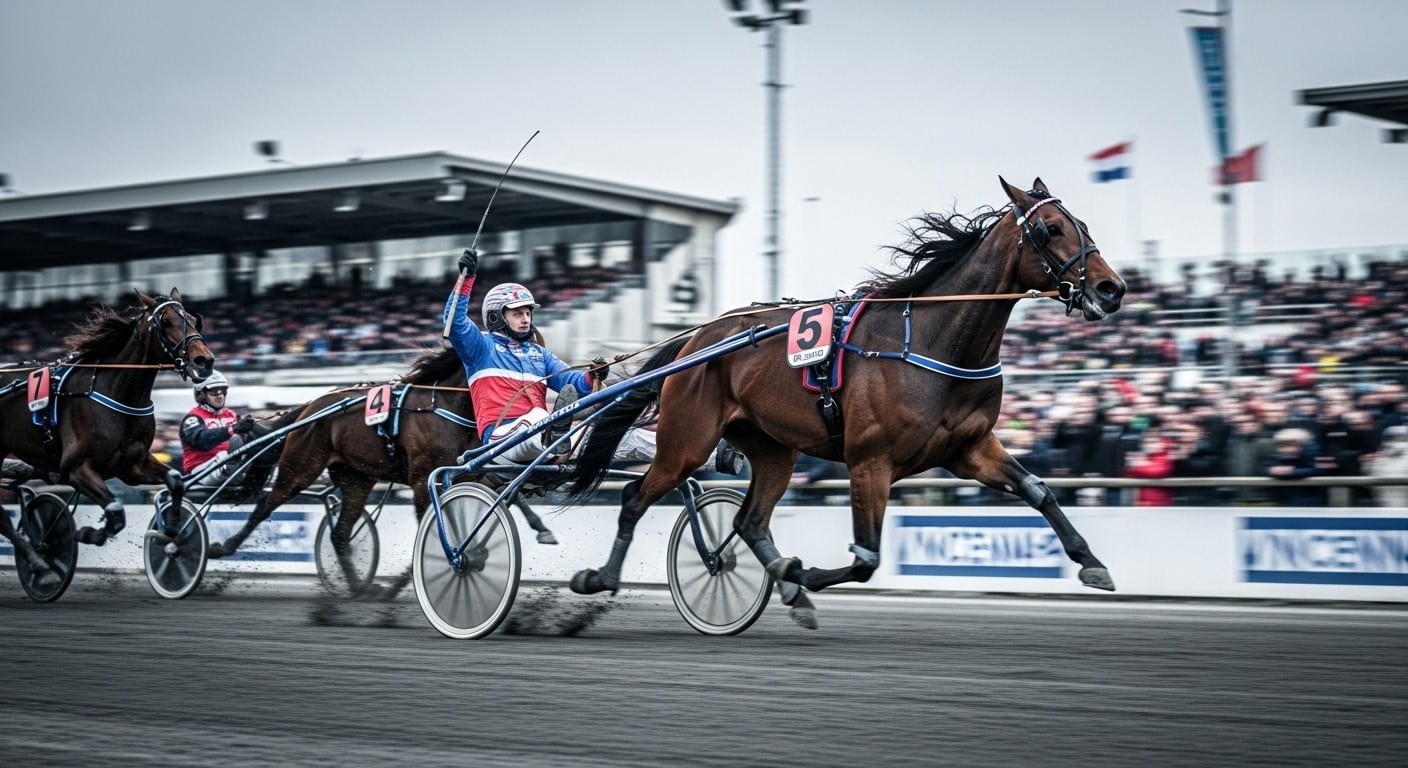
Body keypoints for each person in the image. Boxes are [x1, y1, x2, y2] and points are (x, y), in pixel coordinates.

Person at [444, 250, 744, 472]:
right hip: (502, 439)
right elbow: (454, 323)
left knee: (623, 436)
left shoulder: (539, 354)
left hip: (547, 438)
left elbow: (573, 383)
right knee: (535, 419)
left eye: (528, 313)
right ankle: (554, 431)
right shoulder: (479, 348)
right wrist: (466, 279)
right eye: (517, 314)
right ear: (497, 317)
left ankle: (714, 457)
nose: (526, 319)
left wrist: (592, 377)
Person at [180, 370, 254, 481]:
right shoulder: (193, 418)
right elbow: (200, 441)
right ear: (201, 395)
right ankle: (233, 470)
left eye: (222, 391)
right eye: (214, 393)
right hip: (200, 470)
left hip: (228, 462)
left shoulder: (232, 415)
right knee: (225, 453)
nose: (219, 396)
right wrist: (230, 429)